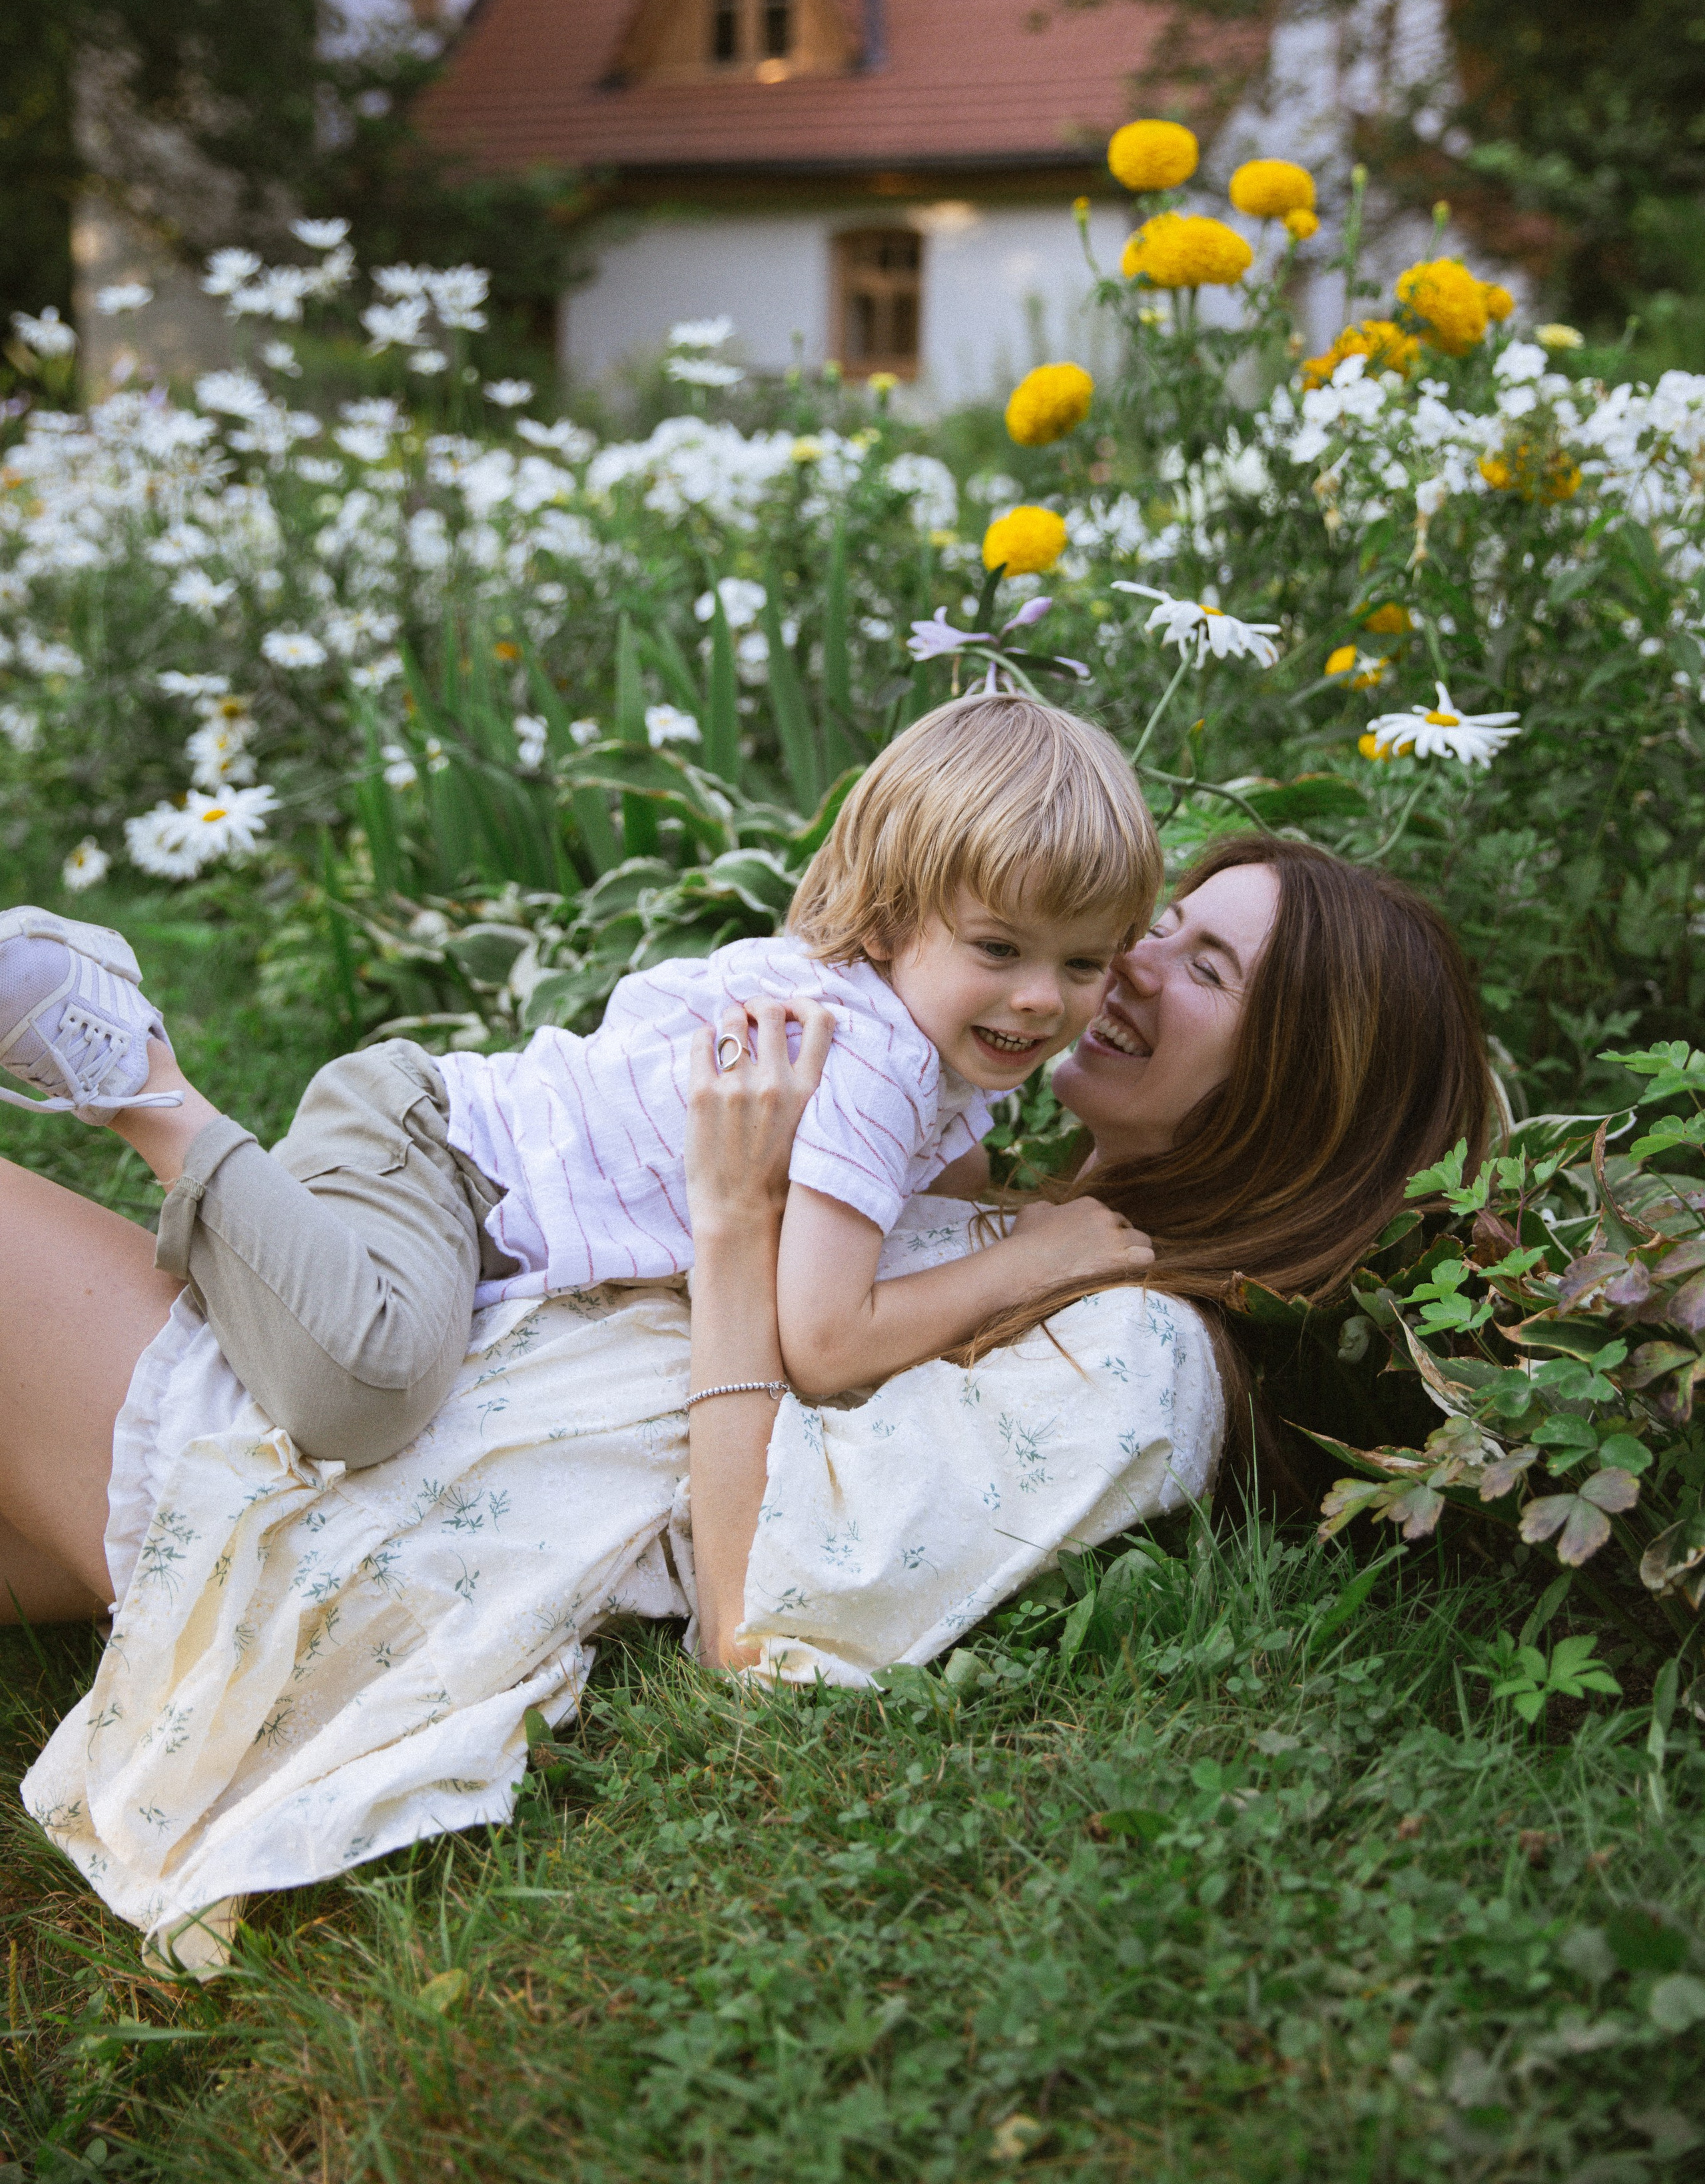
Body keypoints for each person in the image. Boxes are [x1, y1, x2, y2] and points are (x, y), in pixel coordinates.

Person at [5, 833, 1493, 1970]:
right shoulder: (997, 1177)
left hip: (321, 1460)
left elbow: (758, 1604)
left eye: (1209, 971)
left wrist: (733, 1220)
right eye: (1161, 928)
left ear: (1290, 1091)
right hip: (372, 1349)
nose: (1132, 966)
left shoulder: (1145, 1359)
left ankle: (127, 1065)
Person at [0, 696, 1158, 1468]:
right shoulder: (877, 1057)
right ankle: (142, 1081)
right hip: (437, 1155)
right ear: (900, 918)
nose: (1041, 1002)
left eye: (1085, 963)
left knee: (301, 1358)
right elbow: (826, 1341)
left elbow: (935, 1206)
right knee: (367, 1394)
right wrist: (1038, 1256)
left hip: (462, 1172)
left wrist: (1019, 1215)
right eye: (1000, 950)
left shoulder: (943, 1043)